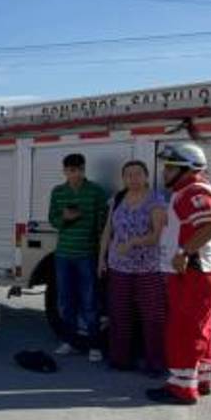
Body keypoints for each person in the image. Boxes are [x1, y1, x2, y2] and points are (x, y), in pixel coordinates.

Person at [147, 142, 211, 405]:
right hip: (197, 273)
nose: (165, 172)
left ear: (187, 169)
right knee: (201, 328)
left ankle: (181, 389)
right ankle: (201, 380)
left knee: (184, 330)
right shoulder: (188, 190)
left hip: (194, 273)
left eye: (170, 167)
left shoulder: (194, 191)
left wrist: (183, 252)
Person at [97, 161, 168, 374]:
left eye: (138, 174)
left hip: (148, 268)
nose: (133, 178)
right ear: (123, 178)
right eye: (128, 175)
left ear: (146, 177)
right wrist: (101, 259)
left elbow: (156, 236)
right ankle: (120, 359)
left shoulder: (156, 200)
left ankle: (155, 363)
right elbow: (108, 230)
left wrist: (132, 243)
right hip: (119, 267)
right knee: (119, 314)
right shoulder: (118, 198)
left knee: (153, 317)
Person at [48, 153, 108, 363]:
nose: (75, 174)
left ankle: (94, 345)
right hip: (63, 254)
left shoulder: (95, 192)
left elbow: (103, 222)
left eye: (79, 170)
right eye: (71, 170)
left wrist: (101, 252)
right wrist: (64, 218)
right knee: (65, 301)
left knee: (89, 301)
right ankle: (69, 341)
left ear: (84, 170)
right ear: (65, 171)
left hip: (87, 254)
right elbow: (53, 219)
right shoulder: (58, 192)